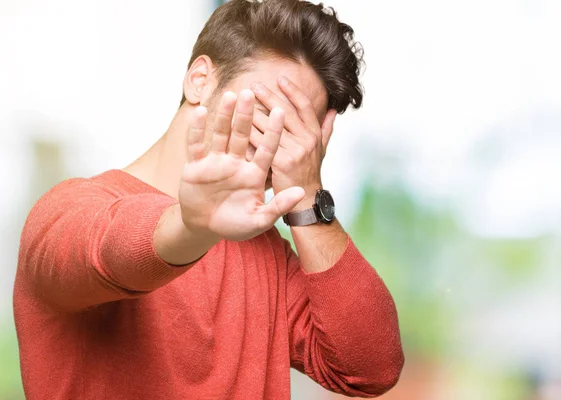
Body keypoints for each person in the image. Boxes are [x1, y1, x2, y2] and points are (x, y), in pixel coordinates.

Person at [14, 0, 404, 398]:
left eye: (297, 130)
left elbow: (372, 368)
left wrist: (308, 195)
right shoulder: (66, 211)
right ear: (200, 80)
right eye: (266, 109)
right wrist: (191, 226)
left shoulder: (269, 257)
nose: (276, 140)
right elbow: (107, 250)